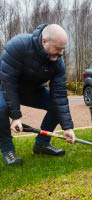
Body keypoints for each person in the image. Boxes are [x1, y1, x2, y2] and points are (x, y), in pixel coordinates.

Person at [0, 24, 75, 166]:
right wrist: (15, 116)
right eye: (58, 49)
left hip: (33, 90)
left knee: (55, 106)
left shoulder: (58, 62)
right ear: (44, 41)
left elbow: (59, 96)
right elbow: (8, 82)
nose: (61, 53)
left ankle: (42, 144)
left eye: (63, 49)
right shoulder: (19, 45)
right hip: (5, 87)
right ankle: (7, 150)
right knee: (1, 108)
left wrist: (67, 127)